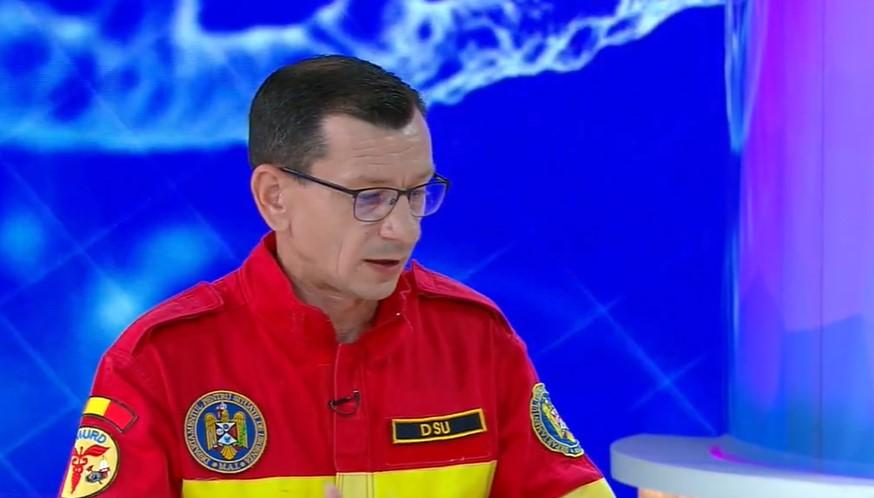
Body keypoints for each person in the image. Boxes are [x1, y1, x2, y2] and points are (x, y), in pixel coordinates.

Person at [58, 55, 615, 498]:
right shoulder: (159, 360)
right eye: (369, 197)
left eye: (417, 193)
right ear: (275, 197)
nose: (404, 229)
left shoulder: (476, 339)